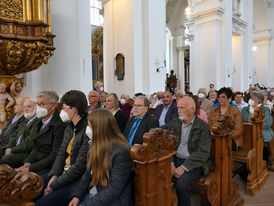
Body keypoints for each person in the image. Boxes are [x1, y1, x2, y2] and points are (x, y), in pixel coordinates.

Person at [35, 90, 90, 206]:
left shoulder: (87, 130)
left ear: (74, 110)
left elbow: (80, 166)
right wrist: (54, 175)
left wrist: (54, 184)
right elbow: (61, 153)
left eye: (64, 108)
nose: (61, 111)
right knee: (32, 186)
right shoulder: (70, 126)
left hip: (75, 181)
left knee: (42, 203)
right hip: (61, 174)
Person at [68, 109, 133, 206]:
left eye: (89, 126)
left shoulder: (120, 151)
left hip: (112, 201)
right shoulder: (95, 145)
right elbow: (87, 175)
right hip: (95, 194)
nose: (87, 130)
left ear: (100, 128)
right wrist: (77, 196)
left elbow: (114, 189)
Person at [168, 97, 212, 206]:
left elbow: (202, 153)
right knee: (155, 177)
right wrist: (171, 163)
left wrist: (183, 168)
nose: (178, 111)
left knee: (182, 186)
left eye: (181, 108)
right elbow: (168, 147)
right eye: (178, 108)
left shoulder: (203, 127)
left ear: (192, 109)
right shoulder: (174, 123)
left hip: (194, 163)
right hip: (176, 159)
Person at [15, 91, 67, 175]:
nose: (39, 108)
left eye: (42, 104)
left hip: (50, 167)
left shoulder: (60, 124)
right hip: (36, 163)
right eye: (38, 104)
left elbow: (54, 155)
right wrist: (27, 163)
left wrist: (31, 168)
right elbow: (35, 147)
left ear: (53, 106)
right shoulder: (39, 121)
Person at [0, 98, 39, 167]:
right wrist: (9, 148)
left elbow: (29, 142)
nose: (26, 109)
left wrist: (12, 149)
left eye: (29, 107)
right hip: (14, 148)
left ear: (36, 107)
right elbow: (14, 136)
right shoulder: (27, 119)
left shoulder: (37, 121)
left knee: (5, 159)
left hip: (23, 153)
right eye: (24, 107)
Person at [241, 93, 273, 168]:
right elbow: (241, 122)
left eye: (252, 98)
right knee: (244, 144)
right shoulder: (245, 109)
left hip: (262, 133)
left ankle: (262, 165)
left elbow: (268, 124)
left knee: (262, 145)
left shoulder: (265, 109)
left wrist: (256, 126)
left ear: (258, 101)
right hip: (248, 133)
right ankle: (249, 165)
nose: (250, 100)